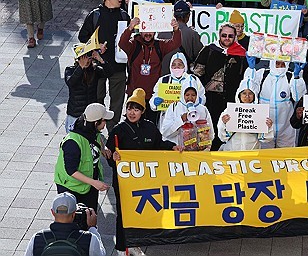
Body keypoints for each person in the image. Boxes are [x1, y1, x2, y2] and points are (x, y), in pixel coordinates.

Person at [106, 89, 177, 256]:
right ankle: (123, 246)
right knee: (123, 212)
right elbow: (109, 154)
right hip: (124, 182)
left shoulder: (150, 128)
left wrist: (173, 147)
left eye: (136, 109)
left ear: (143, 111)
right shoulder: (119, 130)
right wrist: (113, 158)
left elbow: (159, 144)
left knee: (143, 209)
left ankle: (137, 242)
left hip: (145, 181)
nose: (132, 112)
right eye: (129, 108)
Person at [78, 0, 130, 130]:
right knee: (97, 98)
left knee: (117, 101)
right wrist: (96, 45)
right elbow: (83, 37)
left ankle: (113, 130)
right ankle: (96, 126)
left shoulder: (124, 15)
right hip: (98, 67)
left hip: (118, 67)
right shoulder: (95, 15)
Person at [192, 23, 248, 150]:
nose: (227, 38)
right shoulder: (209, 50)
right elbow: (197, 72)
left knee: (228, 129)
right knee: (210, 130)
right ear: (219, 35)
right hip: (211, 99)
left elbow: (246, 77)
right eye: (224, 35)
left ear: (235, 37)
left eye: (230, 36)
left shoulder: (242, 54)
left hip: (231, 100)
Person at [118, 15, 181, 122]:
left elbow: (175, 43)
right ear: (140, 31)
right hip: (134, 94)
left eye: (151, 31)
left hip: (152, 95)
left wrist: (176, 29)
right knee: (132, 125)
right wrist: (130, 28)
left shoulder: (159, 45)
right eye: (145, 30)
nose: (148, 34)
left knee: (150, 126)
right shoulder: (134, 45)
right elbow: (122, 44)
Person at [54, 103, 112, 213]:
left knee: (90, 216)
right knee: (75, 220)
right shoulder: (72, 143)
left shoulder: (91, 129)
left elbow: (97, 137)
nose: (106, 123)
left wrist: (103, 149)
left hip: (89, 183)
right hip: (70, 186)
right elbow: (71, 170)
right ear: (96, 123)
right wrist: (94, 183)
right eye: (104, 120)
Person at [24, 192, 106, 256]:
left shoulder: (38, 238)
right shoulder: (89, 239)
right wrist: (92, 228)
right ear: (74, 214)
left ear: (52, 212)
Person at [251, 60, 307, 148]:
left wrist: (296, 77)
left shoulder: (290, 76)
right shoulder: (262, 74)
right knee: (265, 155)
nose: (280, 66)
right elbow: (250, 89)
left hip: (286, 127)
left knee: (286, 156)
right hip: (265, 126)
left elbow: (298, 96)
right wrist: (251, 69)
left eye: (283, 64)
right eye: (277, 63)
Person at [64, 47, 112, 133]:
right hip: (75, 113)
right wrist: (80, 67)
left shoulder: (95, 70)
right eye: (82, 58)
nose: (86, 61)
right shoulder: (70, 70)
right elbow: (71, 82)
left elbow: (109, 73)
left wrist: (100, 59)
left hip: (91, 115)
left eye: (87, 58)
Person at [218, 77, 273, 151]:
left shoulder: (260, 111)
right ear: (239, 95)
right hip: (232, 149)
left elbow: (266, 139)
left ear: (254, 96)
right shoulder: (229, 110)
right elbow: (222, 137)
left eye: (250, 93)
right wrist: (224, 123)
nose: (247, 96)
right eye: (244, 93)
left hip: (253, 150)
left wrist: (268, 127)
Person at [158, 82, 214, 148]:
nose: (190, 98)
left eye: (193, 95)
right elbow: (165, 131)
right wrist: (181, 120)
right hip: (177, 149)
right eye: (187, 95)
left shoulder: (202, 109)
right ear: (182, 95)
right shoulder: (174, 107)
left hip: (197, 151)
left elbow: (210, 132)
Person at [159, 0, 203, 74]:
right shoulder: (192, 34)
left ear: (174, 15)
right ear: (188, 16)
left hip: (164, 79)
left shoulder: (161, 33)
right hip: (183, 79)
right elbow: (200, 58)